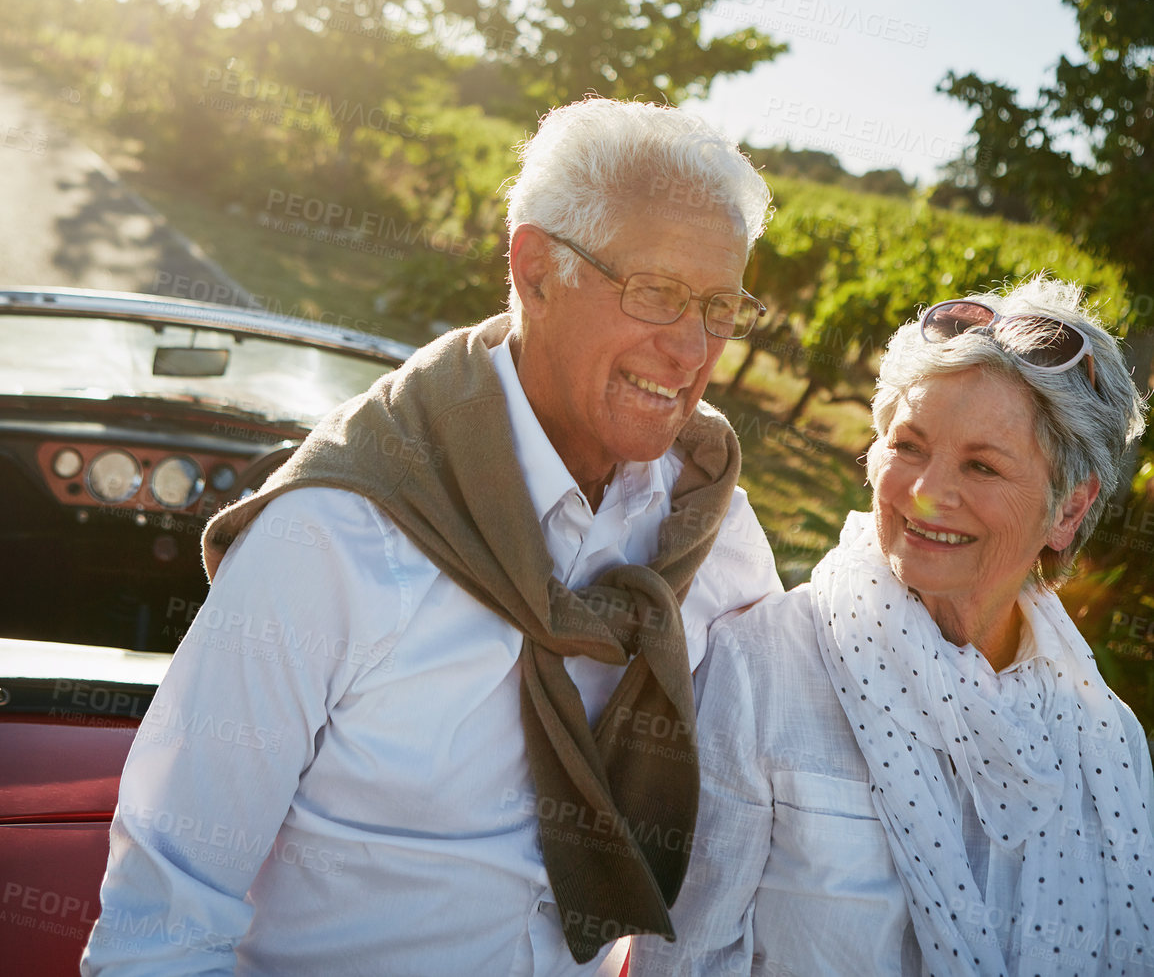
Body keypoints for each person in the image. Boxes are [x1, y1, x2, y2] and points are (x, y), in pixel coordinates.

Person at [81, 98, 782, 976]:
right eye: (657, 294)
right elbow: (163, 923)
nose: (691, 347)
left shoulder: (713, 528)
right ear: (535, 271)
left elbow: (792, 787)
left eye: (720, 306)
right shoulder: (334, 531)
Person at [632, 277, 1154, 977]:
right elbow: (684, 961)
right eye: (908, 446)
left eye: (982, 465)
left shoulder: (1108, 740)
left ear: (1068, 509)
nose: (929, 493)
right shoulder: (759, 667)